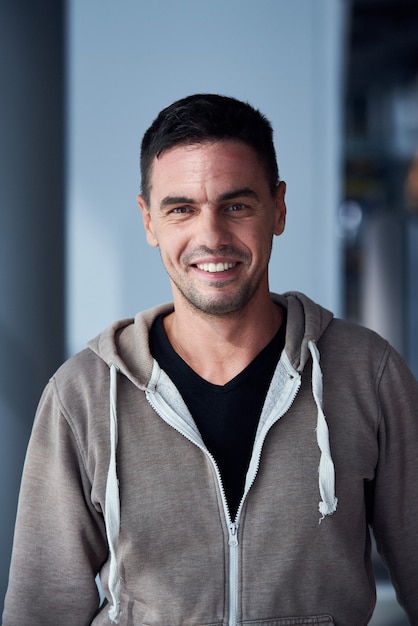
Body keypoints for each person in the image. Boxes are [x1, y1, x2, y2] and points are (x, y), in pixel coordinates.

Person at [3, 94, 418, 626]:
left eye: (237, 205)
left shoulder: (368, 374)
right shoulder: (81, 396)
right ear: (149, 221)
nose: (211, 236)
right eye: (181, 209)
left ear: (279, 208)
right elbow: (40, 611)